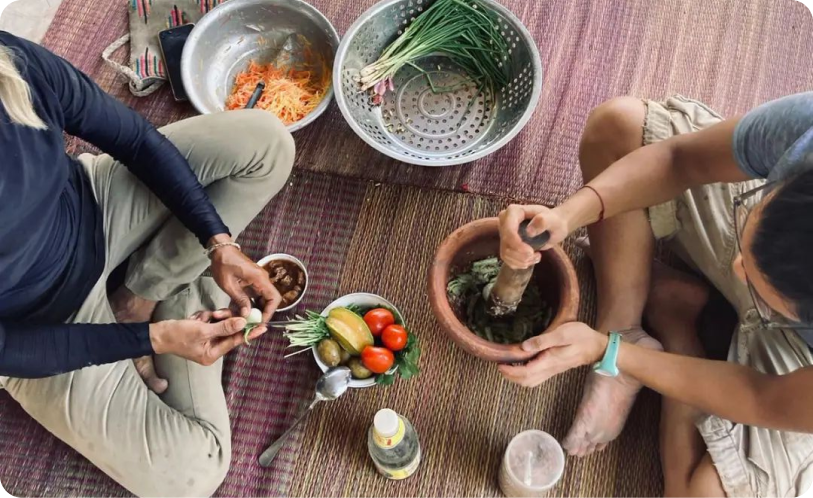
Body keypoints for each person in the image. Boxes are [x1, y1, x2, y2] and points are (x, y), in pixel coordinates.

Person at [0, 32, 294, 497]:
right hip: (42, 326)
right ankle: (183, 298)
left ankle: (142, 293)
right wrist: (151, 339)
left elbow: (134, 140)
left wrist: (218, 243)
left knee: (266, 142)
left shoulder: (9, 62)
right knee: (195, 473)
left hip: (94, 204)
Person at [498, 93, 813, 498]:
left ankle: (677, 323)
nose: (736, 266)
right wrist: (565, 217)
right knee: (617, 128)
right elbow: (677, 158)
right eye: (759, 209)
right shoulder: (806, 132)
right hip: (787, 262)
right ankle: (627, 325)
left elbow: (761, 398)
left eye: (759, 285)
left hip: (795, 374)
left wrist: (607, 352)